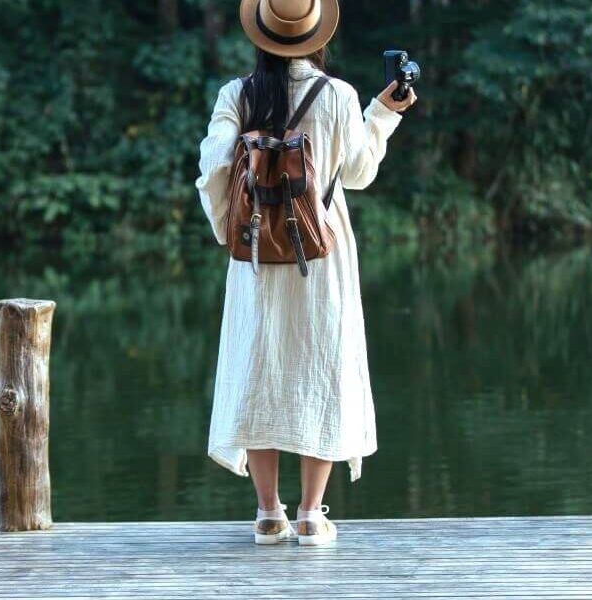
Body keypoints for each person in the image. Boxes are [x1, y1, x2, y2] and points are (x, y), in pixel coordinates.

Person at [195, 0, 416, 547]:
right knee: (323, 366)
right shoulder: (338, 96)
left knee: (260, 368)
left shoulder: (237, 95)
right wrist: (384, 112)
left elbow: (215, 170)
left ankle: (269, 513)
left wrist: (234, 229)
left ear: (261, 34)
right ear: (317, 35)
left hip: (254, 257)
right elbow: (360, 173)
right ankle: (312, 513)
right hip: (321, 254)